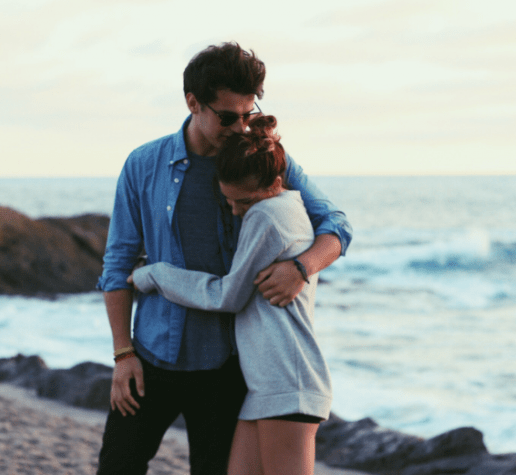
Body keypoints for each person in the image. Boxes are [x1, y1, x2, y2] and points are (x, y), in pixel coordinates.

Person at [96, 42, 352, 475]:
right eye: (228, 117)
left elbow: (337, 226)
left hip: (227, 366)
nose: (240, 127)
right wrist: (123, 356)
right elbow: (117, 265)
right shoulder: (144, 165)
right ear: (193, 103)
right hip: (153, 353)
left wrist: (300, 268)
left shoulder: (265, 160)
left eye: (248, 114)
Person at [129, 114, 331, 475]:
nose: (238, 212)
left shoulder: (268, 215)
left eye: (245, 202)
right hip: (263, 382)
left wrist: (156, 274)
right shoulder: (276, 206)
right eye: (230, 202)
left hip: (287, 379)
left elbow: (227, 296)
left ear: (276, 183)